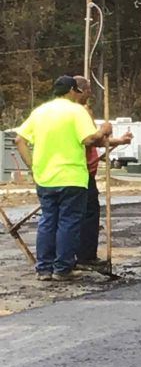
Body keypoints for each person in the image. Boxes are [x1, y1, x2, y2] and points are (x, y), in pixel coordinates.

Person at [14, 75, 113, 281]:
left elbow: (19, 140)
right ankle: (62, 268)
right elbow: (89, 139)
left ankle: (43, 269)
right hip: (72, 176)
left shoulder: (40, 112)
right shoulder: (77, 111)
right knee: (68, 222)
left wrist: (32, 166)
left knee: (48, 221)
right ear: (72, 91)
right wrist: (103, 130)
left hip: (45, 177)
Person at [70, 75, 132, 268]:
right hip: (82, 171)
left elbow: (95, 140)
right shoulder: (80, 112)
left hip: (73, 170)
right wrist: (105, 132)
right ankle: (85, 256)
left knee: (67, 215)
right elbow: (93, 139)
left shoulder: (65, 112)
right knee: (88, 213)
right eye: (88, 90)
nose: (90, 93)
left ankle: (65, 257)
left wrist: (119, 141)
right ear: (80, 91)